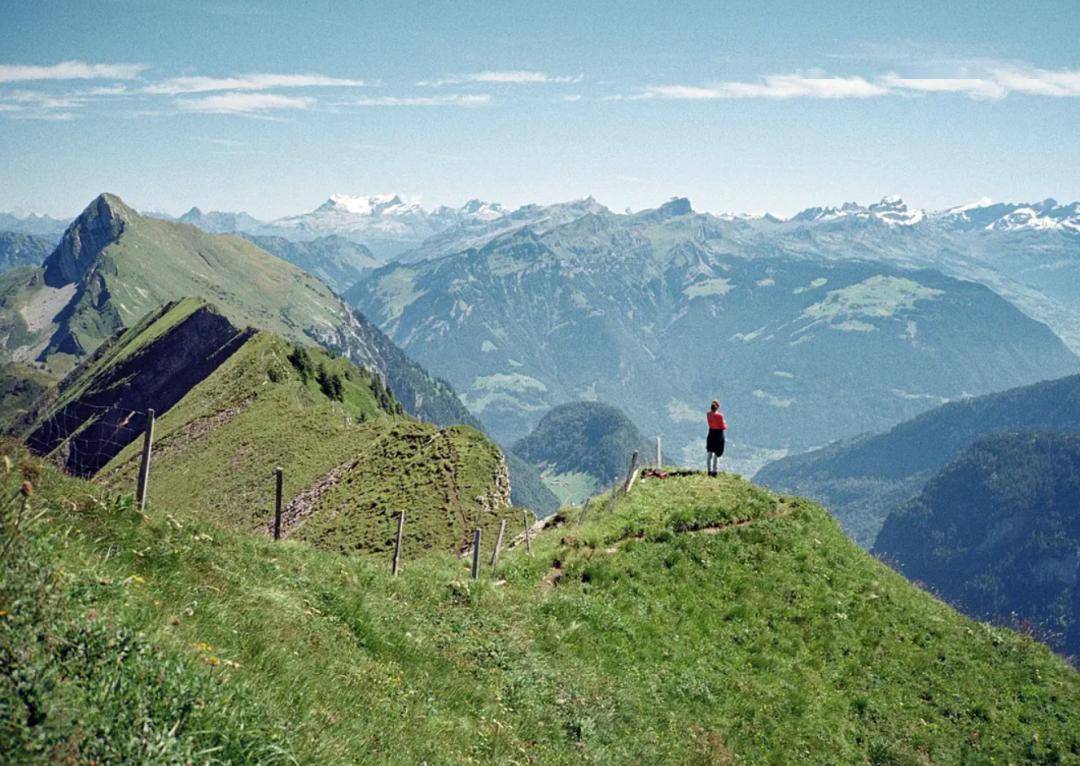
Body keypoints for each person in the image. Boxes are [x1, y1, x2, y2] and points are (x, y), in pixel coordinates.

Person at [706, 399, 726, 477]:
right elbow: (723, 426)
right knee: (716, 453)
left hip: (711, 433)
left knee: (709, 452)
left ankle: (709, 470)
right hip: (718, 434)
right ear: (717, 407)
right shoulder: (720, 416)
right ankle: (714, 471)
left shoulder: (708, 414)